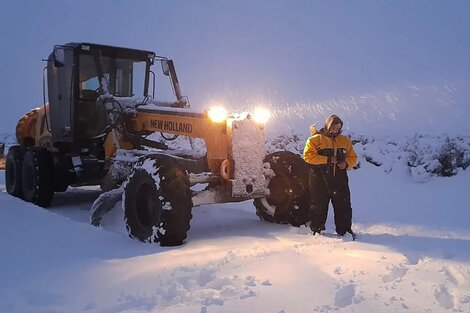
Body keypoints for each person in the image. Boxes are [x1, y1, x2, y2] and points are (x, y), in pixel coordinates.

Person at [303, 114, 358, 238]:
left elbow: (353, 157)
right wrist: (327, 159)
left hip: (340, 179)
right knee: (318, 205)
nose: (335, 130)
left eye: (338, 128)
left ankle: (345, 230)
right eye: (333, 127)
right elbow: (308, 156)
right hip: (319, 179)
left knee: (343, 205)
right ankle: (316, 230)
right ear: (327, 126)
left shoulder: (345, 141)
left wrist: (347, 163)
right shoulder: (314, 140)